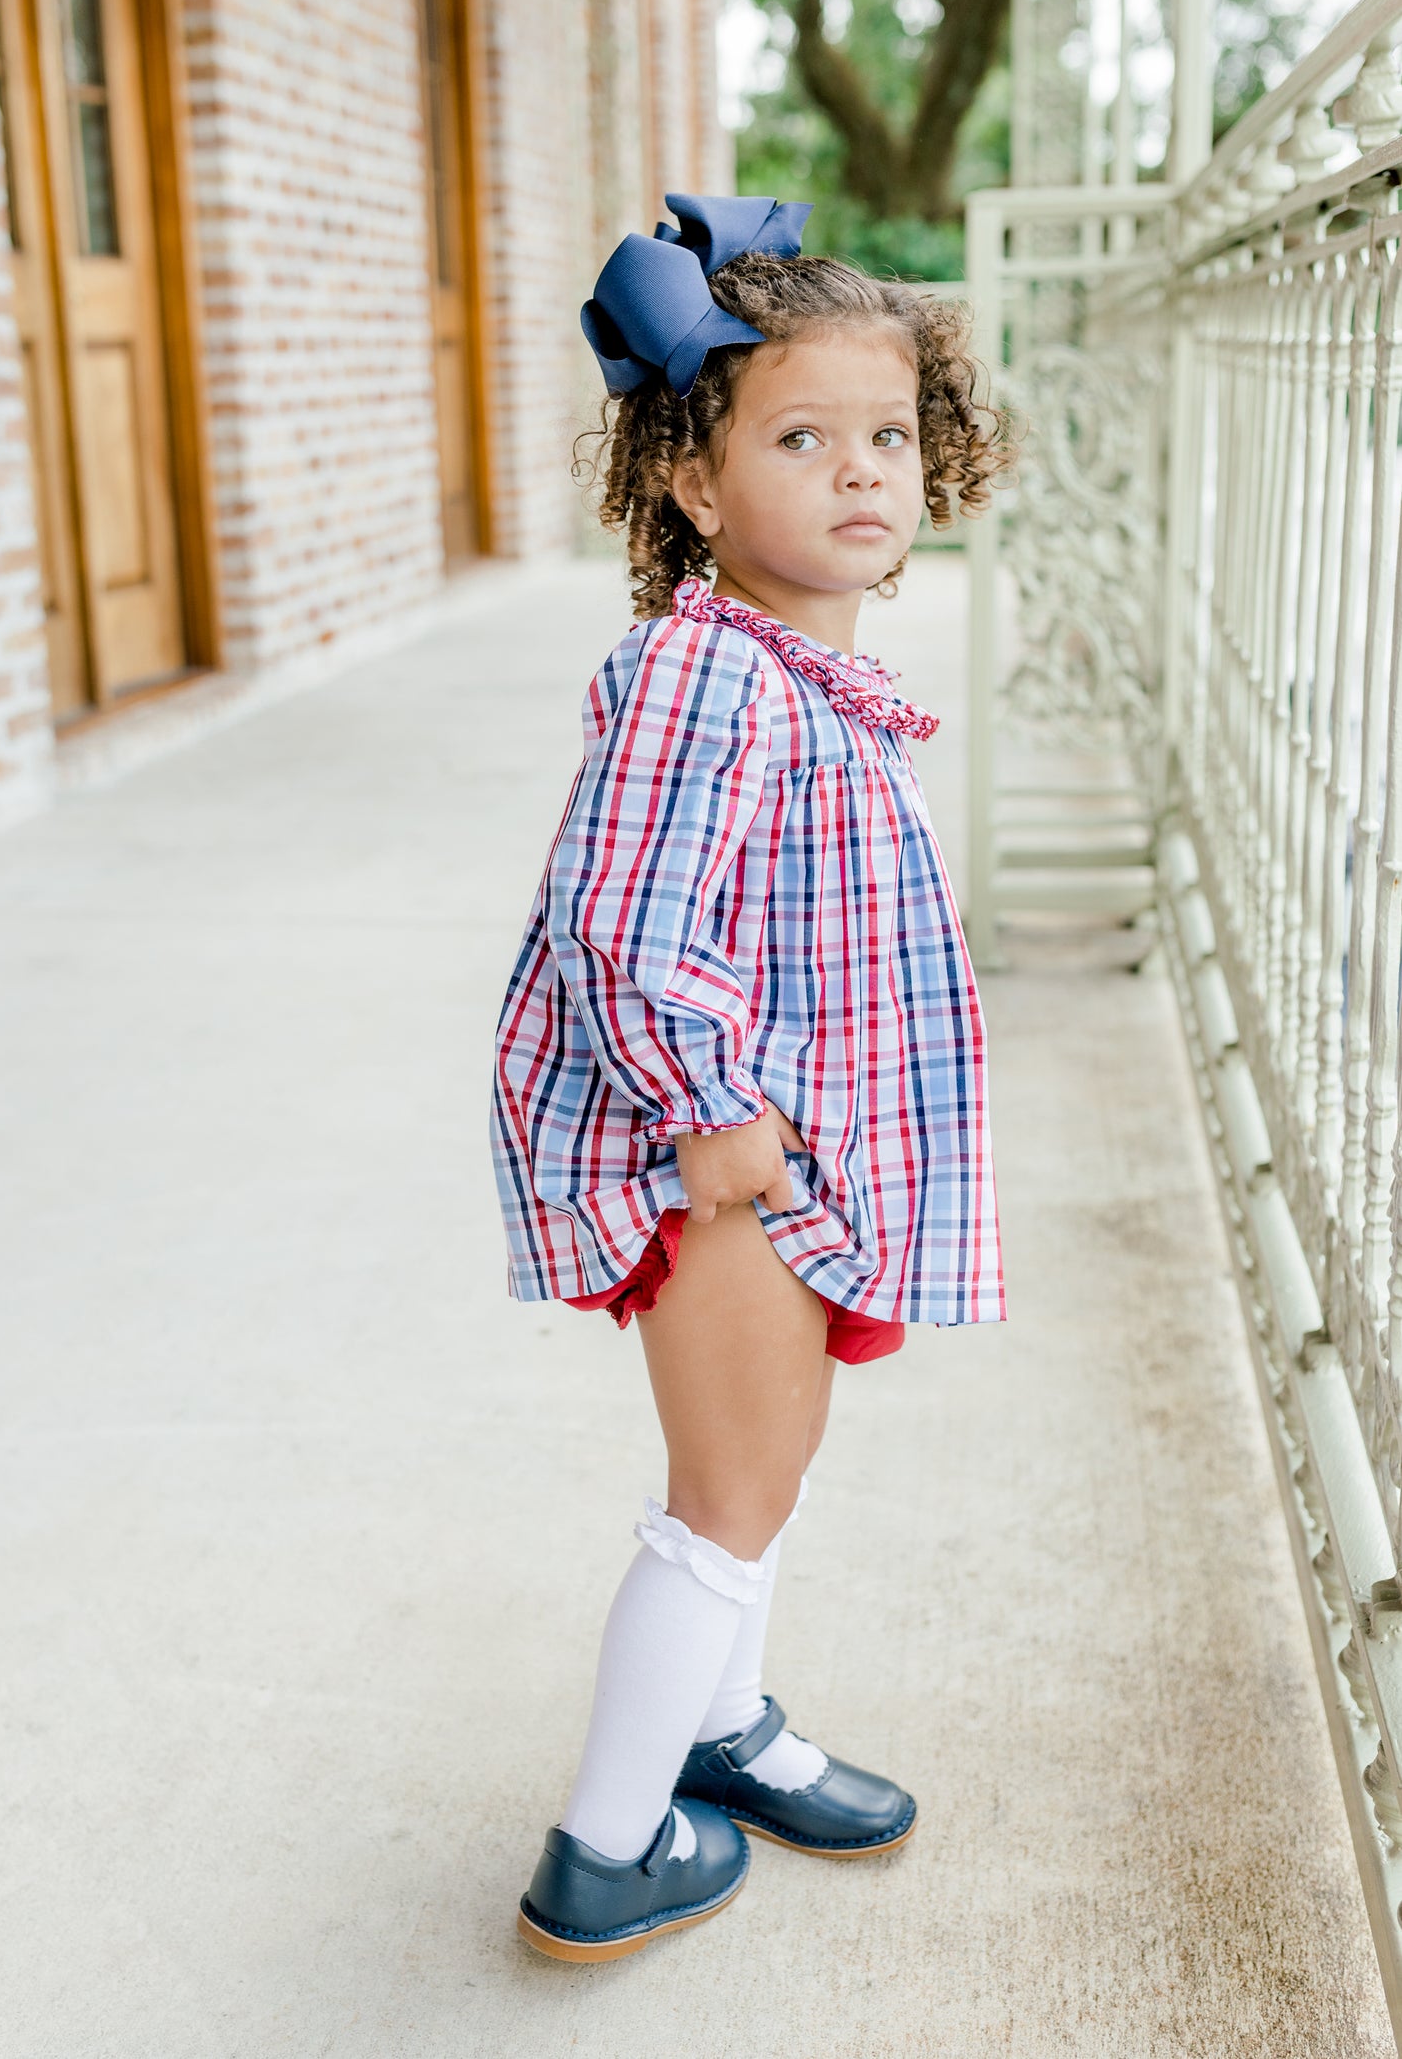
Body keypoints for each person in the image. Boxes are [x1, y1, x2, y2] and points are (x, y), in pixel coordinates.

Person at [489, 194, 1008, 1963]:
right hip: (712, 1152)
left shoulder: (800, 672)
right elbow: (619, 916)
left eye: (887, 436)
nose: (862, 473)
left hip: (783, 1144)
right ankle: (605, 1848)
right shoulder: (703, 677)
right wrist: (708, 1106)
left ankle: (727, 1723)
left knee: (769, 1469)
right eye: (801, 439)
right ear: (696, 488)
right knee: (723, 1498)